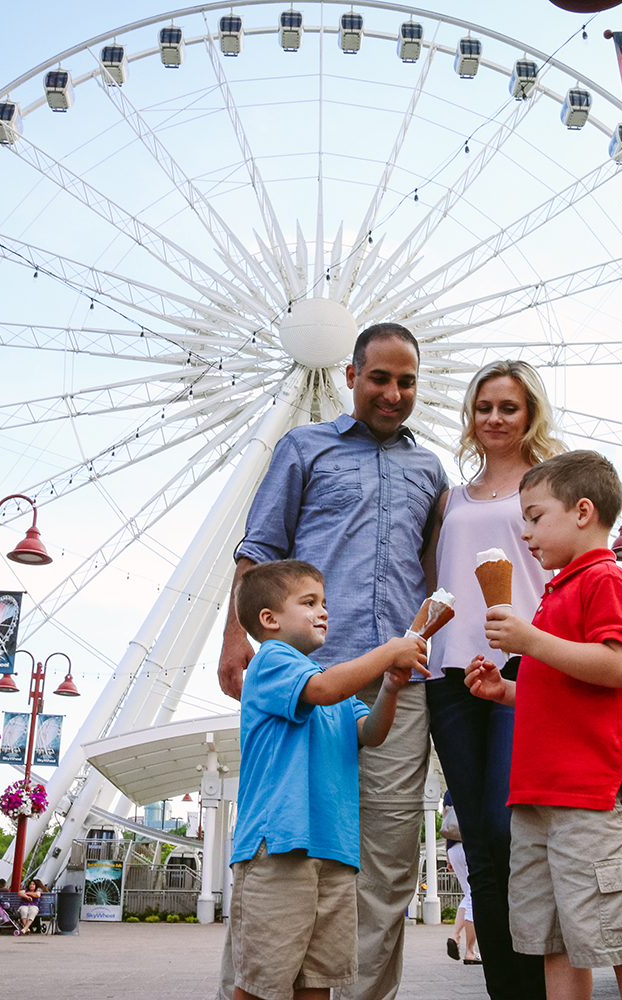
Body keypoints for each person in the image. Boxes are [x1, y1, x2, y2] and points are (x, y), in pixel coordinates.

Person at [218, 322, 447, 1000]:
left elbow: (432, 568)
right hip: (312, 679)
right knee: (277, 853)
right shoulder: (303, 447)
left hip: (394, 687)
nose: (394, 392)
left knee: (385, 860)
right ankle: (256, 986)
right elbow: (259, 546)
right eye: (380, 377)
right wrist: (236, 637)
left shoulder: (429, 469)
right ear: (351, 376)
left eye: (407, 381)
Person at [464, 450, 622, 1000]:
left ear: (582, 511)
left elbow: (620, 666)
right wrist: (505, 689)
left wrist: (529, 642)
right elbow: (558, 689)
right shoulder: (555, 593)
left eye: (534, 516)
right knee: (553, 940)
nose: (525, 532)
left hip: (592, 797)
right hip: (538, 796)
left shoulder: (605, 581)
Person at [425, 360, 563, 999]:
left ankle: (539, 976)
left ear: (529, 413)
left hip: (520, 661)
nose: (495, 419)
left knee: (511, 826)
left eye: (508, 407)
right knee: (476, 835)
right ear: (470, 417)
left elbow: (567, 567)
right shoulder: (451, 497)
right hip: (452, 667)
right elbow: (436, 577)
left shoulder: (548, 485)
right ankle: (509, 988)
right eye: (484, 408)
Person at [228, 559, 426, 1000]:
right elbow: (322, 692)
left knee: (319, 980)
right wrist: (389, 651)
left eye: (324, 602)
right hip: (279, 845)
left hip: (335, 850)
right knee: (263, 978)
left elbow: (370, 734)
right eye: (309, 601)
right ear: (269, 619)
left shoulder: (332, 683)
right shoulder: (273, 662)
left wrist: (391, 689)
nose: (324, 611)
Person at [443, 791, 481, 966]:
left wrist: (448, 855)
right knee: (475, 895)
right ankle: (470, 951)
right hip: (469, 843)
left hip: (453, 847)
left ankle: (456, 935)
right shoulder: (477, 778)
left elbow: (446, 820)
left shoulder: (449, 793)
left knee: (468, 893)